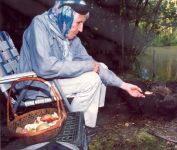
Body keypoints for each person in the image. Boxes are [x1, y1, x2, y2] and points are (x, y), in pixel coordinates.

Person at [17, 0, 145, 128]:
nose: (81, 29)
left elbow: (93, 64)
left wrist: (123, 85)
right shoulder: (39, 25)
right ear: (65, 16)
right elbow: (44, 67)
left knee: (101, 67)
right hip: (36, 85)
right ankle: (73, 128)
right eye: (78, 23)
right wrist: (87, 66)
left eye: (82, 23)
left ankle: (85, 124)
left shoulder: (69, 36)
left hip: (53, 80)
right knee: (92, 79)